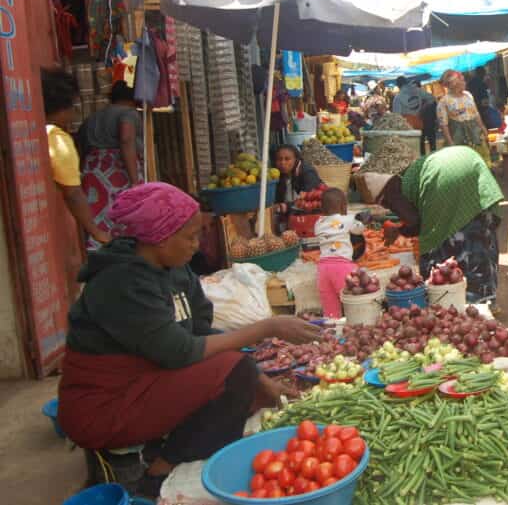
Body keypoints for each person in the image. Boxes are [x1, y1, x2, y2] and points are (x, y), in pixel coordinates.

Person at [58, 182, 321, 497]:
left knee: (240, 373)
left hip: (150, 380)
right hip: (106, 403)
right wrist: (266, 328)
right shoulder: (121, 282)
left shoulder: (176, 269)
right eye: (190, 237)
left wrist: (259, 376)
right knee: (234, 371)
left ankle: (169, 449)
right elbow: (181, 351)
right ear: (159, 240)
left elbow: (200, 330)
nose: (197, 246)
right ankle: (159, 471)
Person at [375, 146, 504, 305]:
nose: (388, 207)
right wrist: (400, 229)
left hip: (450, 179)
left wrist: (399, 230)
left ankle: (472, 301)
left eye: (385, 203)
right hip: (471, 161)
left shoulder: (391, 191)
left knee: (450, 243)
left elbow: (418, 224)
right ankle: (486, 297)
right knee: (480, 232)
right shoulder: (414, 171)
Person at [41, 69, 110, 249]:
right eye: (74, 106)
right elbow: (73, 193)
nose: (75, 113)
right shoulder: (57, 139)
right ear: (64, 107)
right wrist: (96, 232)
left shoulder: (36, 132)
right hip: (54, 229)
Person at [78, 80, 143, 248]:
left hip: (92, 171)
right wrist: (134, 180)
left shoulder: (92, 118)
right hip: (117, 170)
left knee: (96, 215)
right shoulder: (129, 113)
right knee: (124, 216)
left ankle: (99, 252)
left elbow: (80, 146)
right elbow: (126, 138)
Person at [314, 188, 366, 319]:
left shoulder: (318, 223)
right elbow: (359, 229)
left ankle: (333, 332)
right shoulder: (347, 220)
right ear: (344, 206)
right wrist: (363, 220)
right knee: (354, 302)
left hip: (323, 268)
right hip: (343, 266)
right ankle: (357, 326)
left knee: (330, 309)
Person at [436, 70, 489, 160]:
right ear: (454, 84)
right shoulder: (444, 102)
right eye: (462, 80)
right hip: (458, 136)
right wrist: (450, 143)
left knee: (479, 157)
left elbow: (476, 114)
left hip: (474, 133)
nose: (464, 83)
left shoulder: (468, 95)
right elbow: (443, 125)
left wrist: (483, 128)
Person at [273, 145, 323, 230]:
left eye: (287, 159)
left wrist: (286, 206)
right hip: (291, 214)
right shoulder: (278, 174)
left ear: (296, 159)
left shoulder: (307, 173)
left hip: (311, 216)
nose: (283, 163)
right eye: (279, 159)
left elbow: (310, 200)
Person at [416, 80, 438, 155]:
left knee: (421, 143)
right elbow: (435, 108)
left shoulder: (413, 98)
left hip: (420, 123)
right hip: (430, 122)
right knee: (432, 141)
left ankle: (423, 158)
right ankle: (434, 156)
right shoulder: (429, 95)